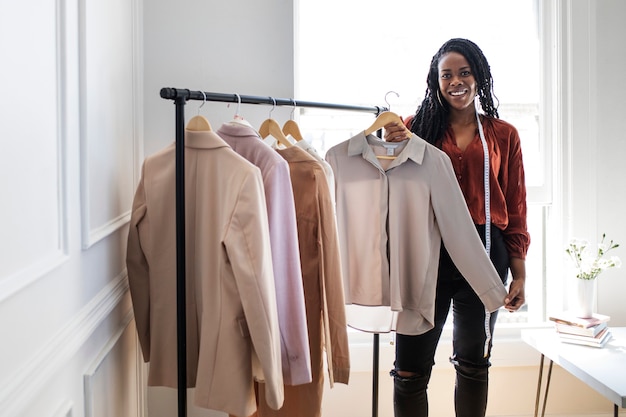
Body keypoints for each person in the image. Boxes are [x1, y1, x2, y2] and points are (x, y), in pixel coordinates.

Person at [383, 38, 530, 417]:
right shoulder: (413, 129)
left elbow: (515, 207)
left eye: (464, 72)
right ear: (436, 80)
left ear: (479, 76)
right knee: (410, 369)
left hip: (484, 252)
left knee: (473, 362)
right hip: (427, 253)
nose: (456, 82)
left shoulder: (503, 134)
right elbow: (390, 184)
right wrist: (389, 146)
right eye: (447, 74)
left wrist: (519, 275)